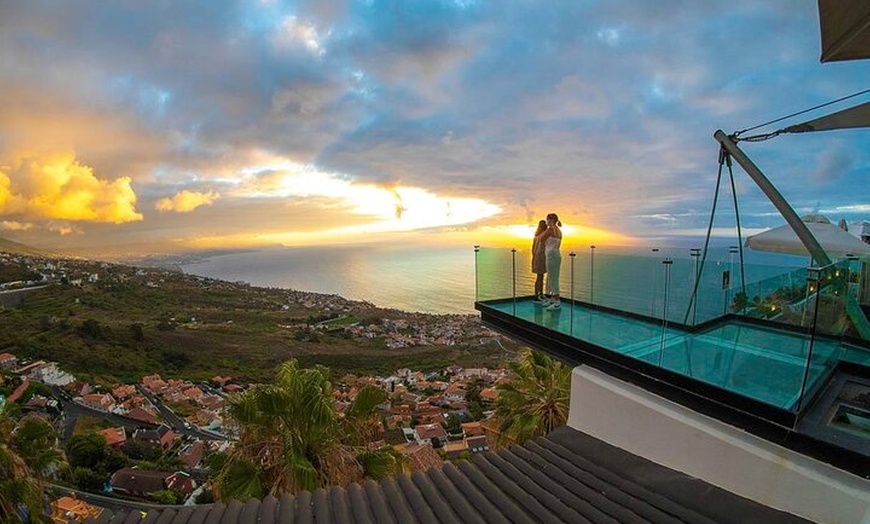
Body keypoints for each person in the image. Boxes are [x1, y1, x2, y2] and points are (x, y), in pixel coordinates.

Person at [540, 213, 563, 310]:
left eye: (548, 220)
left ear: (552, 220)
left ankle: (557, 301)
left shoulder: (550, 229)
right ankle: (553, 298)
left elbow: (541, 239)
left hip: (551, 255)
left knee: (553, 278)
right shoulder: (558, 230)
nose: (547, 222)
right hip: (555, 254)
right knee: (552, 277)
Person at [531, 220, 547, 303]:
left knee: (540, 277)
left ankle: (539, 294)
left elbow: (532, 249)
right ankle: (538, 295)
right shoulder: (544, 235)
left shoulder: (536, 236)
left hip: (536, 257)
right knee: (540, 277)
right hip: (541, 257)